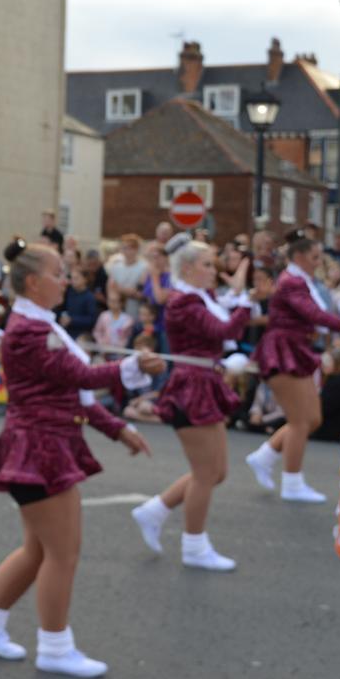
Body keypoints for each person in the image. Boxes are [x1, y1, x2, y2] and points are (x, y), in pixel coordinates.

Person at [0, 241, 159, 679]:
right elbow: (83, 376)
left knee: (39, 550)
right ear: (34, 282)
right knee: (63, 554)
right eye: (59, 273)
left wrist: (117, 428)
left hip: (40, 448)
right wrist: (133, 368)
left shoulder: (41, 324)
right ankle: (54, 648)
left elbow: (74, 393)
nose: (66, 280)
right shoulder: (29, 332)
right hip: (38, 451)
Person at [131, 238, 252, 571]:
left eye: (214, 264)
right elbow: (225, 328)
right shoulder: (183, 302)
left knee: (218, 472)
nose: (214, 271)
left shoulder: (200, 297)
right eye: (208, 265)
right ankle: (194, 547)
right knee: (205, 473)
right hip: (191, 387)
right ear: (186, 268)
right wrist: (244, 299)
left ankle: (154, 510)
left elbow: (219, 330)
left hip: (206, 383)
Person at [245, 233, 340, 503]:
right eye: (314, 257)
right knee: (300, 421)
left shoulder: (302, 281)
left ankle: (264, 456)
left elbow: (317, 315)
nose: (318, 262)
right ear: (299, 257)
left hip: (298, 350)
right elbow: (312, 314)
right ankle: (292, 482)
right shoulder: (292, 282)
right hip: (283, 351)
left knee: (313, 418)